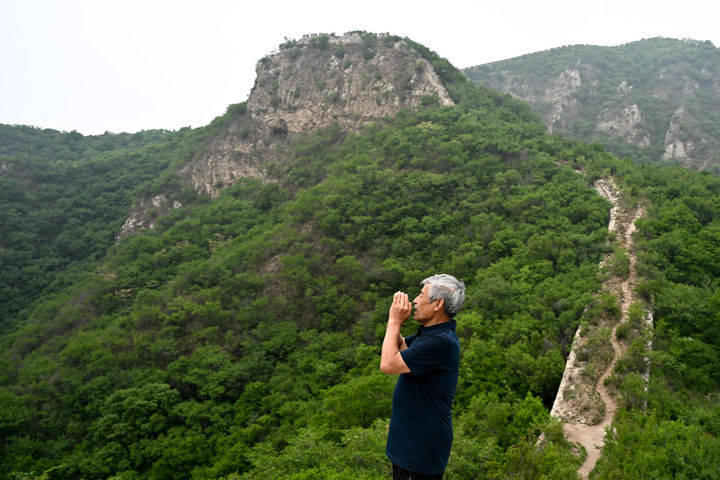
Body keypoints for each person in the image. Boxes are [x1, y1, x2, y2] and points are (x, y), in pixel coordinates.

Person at [380, 273, 465, 480]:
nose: (415, 300)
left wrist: (393, 320)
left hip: (420, 452)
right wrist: (397, 321)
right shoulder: (431, 334)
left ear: (438, 304)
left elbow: (388, 364)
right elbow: (401, 350)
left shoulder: (441, 342)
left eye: (421, 295)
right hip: (409, 446)